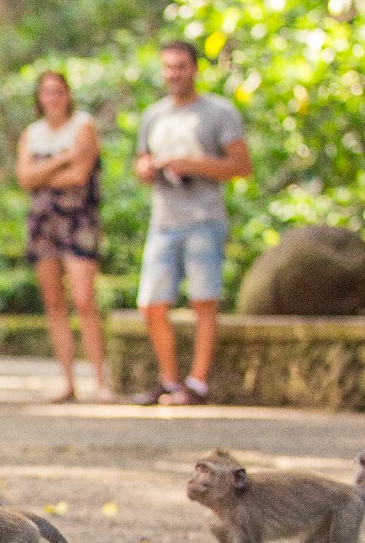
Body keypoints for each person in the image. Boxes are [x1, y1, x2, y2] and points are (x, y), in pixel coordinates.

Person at [131, 41, 252, 406]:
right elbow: (140, 162)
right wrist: (147, 168)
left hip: (204, 219)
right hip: (164, 220)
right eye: (168, 67)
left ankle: (196, 383)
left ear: (195, 68)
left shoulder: (219, 112)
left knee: (203, 301)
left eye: (181, 66)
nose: (174, 74)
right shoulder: (154, 115)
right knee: (151, 304)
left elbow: (242, 166)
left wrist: (191, 164)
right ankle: (169, 381)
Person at [17, 70, 110, 404]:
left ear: (68, 94)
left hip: (78, 220)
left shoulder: (84, 126)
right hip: (42, 223)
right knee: (54, 303)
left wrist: (44, 173)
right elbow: (24, 178)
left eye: (59, 91)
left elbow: (80, 175)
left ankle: (101, 381)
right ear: (39, 97)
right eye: (46, 92)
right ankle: (67, 381)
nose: (53, 98)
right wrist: (64, 158)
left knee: (84, 300)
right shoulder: (32, 133)